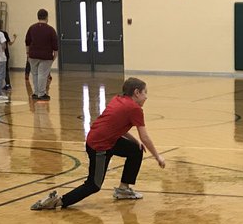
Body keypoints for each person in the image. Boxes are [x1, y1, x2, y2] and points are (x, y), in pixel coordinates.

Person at [30, 78, 165, 210]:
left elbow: (115, 126)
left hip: (102, 139)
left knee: (136, 149)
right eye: (144, 93)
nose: (146, 97)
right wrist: (158, 157)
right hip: (100, 146)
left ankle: (123, 189)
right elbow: (145, 137)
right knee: (93, 185)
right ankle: (57, 201)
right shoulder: (134, 109)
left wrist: (136, 141)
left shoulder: (119, 99)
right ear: (136, 92)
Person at [25, 8, 58, 100]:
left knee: (35, 74)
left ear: (38, 17)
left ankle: (35, 92)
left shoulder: (32, 28)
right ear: (47, 17)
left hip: (33, 55)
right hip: (46, 56)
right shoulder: (50, 30)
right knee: (42, 74)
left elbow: (27, 42)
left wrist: (27, 53)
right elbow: (55, 45)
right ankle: (42, 93)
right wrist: (54, 57)